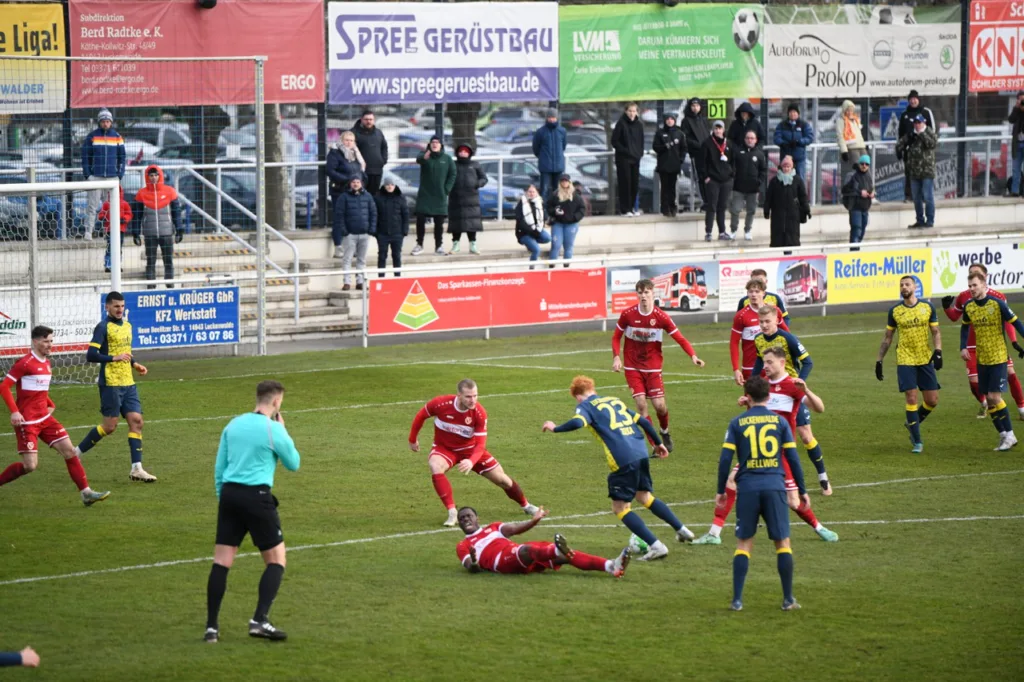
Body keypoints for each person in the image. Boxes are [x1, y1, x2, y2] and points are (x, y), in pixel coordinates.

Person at [542, 375, 696, 561]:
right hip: (641, 452)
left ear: (577, 396)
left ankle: (656, 546)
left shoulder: (585, 406)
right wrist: (658, 443)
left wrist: (555, 428)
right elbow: (645, 422)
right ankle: (682, 529)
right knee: (644, 497)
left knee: (620, 508)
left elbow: (577, 422)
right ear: (593, 389)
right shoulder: (614, 400)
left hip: (623, 458)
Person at [695, 348, 834, 546]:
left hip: (783, 454)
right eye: (764, 362)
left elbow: (820, 408)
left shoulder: (793, 386)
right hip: (757, 450)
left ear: (782, 362)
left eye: (769, 362)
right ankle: (714, 533)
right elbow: (758, 415)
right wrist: (748, 402)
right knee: (732, 481)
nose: (765, 366)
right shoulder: (763, 385)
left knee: (794, 501)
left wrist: (807, 390)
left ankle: (819, 527)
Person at [204, 380, 300, 643]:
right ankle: (259, 620)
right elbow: (294, 463)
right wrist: (284, 432)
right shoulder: (272, 430)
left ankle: (211, 628)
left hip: (230, 496)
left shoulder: (232, 425)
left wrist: (223, 499)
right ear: (276, 402)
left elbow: (219, 468)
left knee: (221, 561)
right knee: (276, 560)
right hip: (257, 497)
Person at [717, 376, 806, 611]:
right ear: (769, 396)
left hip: (747, 488)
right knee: (782, 542)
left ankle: (737, 600)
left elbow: (725, 459)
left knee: (744, 543)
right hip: (775, 485)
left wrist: (720, 491)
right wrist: (802, 490)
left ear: (746, 396)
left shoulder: (737, 423)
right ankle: (788, 599)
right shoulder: (780, 422)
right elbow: (793, 459)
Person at [0, 325, 110, 506]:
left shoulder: (46, 362)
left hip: (45, 418)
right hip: (27, 422)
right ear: (35, 342)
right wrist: (14, 411)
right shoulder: (25, 363)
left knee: (69, 451)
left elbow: (39, 389)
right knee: (30, 466)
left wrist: (50, 404)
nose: (50, 345)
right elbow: (4, 387)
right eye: (46, 341)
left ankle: (86, 493)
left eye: (51, 341)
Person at [408, 379, 538, 527]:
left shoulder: (479, 413)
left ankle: (525, 505)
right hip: (444, 449)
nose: (473, 400)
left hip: (471, 450)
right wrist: (412, 439)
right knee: (435, 465)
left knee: (503, 480)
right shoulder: (440, 403)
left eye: (475, 396)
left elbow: (481, 445)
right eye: (468, 397)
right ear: (459, 395)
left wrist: (471, 460)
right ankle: (452, 512)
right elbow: (421, 416)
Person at [611, 278, 706, 453]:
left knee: (660, 406)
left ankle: (664, 431)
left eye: (646, 292)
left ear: (653, 294)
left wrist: (693, 355)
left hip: (653, 367)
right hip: (633, 366)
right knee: (640, 404)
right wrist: (617, 357)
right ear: (637, 295)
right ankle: (656, 444)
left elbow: (680, 338)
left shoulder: (661, 317)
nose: (643, 296)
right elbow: (616, 336)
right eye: (640, 293)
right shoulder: (628, 314)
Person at [73, 291, 157, 482]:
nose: (120, 309)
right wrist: (113, 358)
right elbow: (91, 355)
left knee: (137, 421)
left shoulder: (127, 326)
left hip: (128, 382)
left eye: (122, 306)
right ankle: (75, 453)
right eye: (116, 306)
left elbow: (125, 352)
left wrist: (134, 364)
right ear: (107, 307)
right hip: (110, 383)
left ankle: (137, 468)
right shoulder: (103, 327)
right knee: (109, 427)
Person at [751, 306, 831, 493]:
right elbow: (757, 362)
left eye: (767, 321)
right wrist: (751, 384)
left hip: (790, 389)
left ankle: (823, 477)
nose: (763, 325)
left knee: (805, 435)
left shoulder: (788, 338)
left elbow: (808, 361)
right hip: (771, 390)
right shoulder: (758, 340)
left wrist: (799, 382)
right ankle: (778, 483)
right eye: (761, 322)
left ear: (777, 320)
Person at [942, 264, 1024, 419]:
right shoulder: (964, 297)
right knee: (975, 383)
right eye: (971, 275)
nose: (973, 279)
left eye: (977, 275)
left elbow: (1009, 320)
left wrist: (1013, 341)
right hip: (973, 347)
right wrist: (947, 308)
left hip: (995, 346)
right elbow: (956, 319)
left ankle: (1021, 408)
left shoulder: (998, 297)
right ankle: (985, 403)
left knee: (1011, 374)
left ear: (984, 278)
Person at [456, 506, 630, 578]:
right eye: (462, 518)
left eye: (468, 516)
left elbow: (516, 528)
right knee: (527, 550)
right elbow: (472, 568)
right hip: (502, 562)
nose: (465, 520)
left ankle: (611, 566)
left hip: (515, 552)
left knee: (567, 556)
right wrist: (475, 561)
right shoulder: (463, 546)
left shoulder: (493, 528)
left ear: (477, 518)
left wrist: (534, 520)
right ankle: (554, 550)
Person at [876, 276, 943, 453]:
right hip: (905, 359)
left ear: (915, 287)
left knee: (932, 400)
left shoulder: (927, 307)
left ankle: (912, 422)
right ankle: (917, 441)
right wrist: (879, 360)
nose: (904, 287)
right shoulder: (895, 311)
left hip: (925, 358)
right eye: (901, 285)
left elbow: (935, 332)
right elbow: (887, 338)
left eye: (907, 284)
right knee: (911, 397)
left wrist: (938, 352)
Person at [958, 272, 1024, 451]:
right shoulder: (969, 307)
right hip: (982, 358)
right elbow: (965, 327)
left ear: (984, 285)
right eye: (969, 286)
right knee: (988, 397)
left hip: (998, 357)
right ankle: (1003, 435)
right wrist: (963, 346)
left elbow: (1016, 323)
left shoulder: (997, 304)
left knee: (995, 397)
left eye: (975, 285)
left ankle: (1010, 435)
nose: (971, 289)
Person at [731, 279, 788, 386]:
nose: (753, 294)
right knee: (753, 401)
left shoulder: (775, 311)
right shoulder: (741, 316)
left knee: (778, 400)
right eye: (750, 291)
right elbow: (734, 343)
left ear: (763, 293)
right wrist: (736, 369)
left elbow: (786, 335)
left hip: (774, 366)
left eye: (757, 291)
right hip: (751, 367)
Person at [132, 165, 181, 289]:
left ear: (160, 176)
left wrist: (179, 230)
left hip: (167, 233)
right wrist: (136, 233)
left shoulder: (170, 192)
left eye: (156, 175)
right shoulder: (141, 194)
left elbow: (176, 213)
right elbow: (137, 216)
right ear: (147, 177)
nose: (153, 178)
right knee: (151, 261)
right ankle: (151, 286)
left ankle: (170, 285)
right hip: (150, 234)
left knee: (168, 261)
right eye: (151, 175)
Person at [81, 108, 125, 241]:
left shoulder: (117, 137)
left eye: (108, 121)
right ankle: (89, 231)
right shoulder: (92, 136)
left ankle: (109, 231)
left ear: (111, 122)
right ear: (99, 122)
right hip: (96, 177)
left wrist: (119, 174)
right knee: (92, 206)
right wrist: (88, 175)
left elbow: (122, 157)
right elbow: (85, 157)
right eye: (103, 121)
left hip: (112, 178)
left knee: (111, 206)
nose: (105, 124)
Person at [412, 136, 456, 256]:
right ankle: (419, 244)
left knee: (439, 222)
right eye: (432, 142)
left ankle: (439, 246)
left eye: (437, 142)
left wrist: (446, 189)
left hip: (440, 195)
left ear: (441, 145)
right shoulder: (425, 155)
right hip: (425, 194)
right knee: (420, 219)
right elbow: (419, 159)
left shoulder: (447, 159)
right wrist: (424, 157)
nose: (435, 144)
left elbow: (453, 174)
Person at [326, 131, 367, 257]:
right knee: (339, 218)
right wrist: (347, 180)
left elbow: (360, 170)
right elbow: (330, 171)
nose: (349, 142)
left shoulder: (356, 153)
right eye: (346, 140)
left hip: (354, 190)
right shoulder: (335, 153)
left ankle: (351, 247)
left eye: (351, 140)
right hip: (339, 190)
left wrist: (363, 179)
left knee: (352, 218)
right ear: (341, 140)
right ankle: (338, 247)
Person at [334, 176, 377, 291]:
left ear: (361, 183)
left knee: (362, 259)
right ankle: (347, 282)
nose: (356, 184)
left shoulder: (368, 196)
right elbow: (339, 215)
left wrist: (371, 229)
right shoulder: (343, 197)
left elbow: (373, 213)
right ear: (350, 183)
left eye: (358, 182)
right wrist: (344, 231)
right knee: (347, 259)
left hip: (364, 234)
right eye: (353, 182)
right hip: (350, 235)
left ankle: (360, 282)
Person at [897, 114, 937, 229]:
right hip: (914, 171)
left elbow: (932, 144)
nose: (917, 125)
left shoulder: (929, 132)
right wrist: (902, 149)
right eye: (915, 123)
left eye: (919, 122)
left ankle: (930, 221)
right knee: (916, 198)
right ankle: (920, 220)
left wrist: (921, 134)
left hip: (926, 171)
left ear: (924, 123)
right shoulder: (911, 134)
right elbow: (900, 144)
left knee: (928, 196)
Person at [447, 144, 487, 255]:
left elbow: (484, 178)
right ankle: (455, 245)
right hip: (456, 198)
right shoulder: (453, 165)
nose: (463, 153)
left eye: (465, 151)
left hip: (471, 199)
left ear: (469, 153)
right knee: (456, 223)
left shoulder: (475, 165)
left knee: (472, 223)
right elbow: (447, 178)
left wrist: (477, 184)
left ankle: (473, 245)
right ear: (457, 153)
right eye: (461, 151)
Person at [701, 120, 737, 242]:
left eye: (719, 128)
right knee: (711, 206)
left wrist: (732, 174)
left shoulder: (729, 144)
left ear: (723, 129)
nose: (717, 130)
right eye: (715, 128)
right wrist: (706, 177)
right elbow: (703, 162)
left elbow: (733, 161)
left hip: (726, 180)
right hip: (713, 180)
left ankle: (722, 232)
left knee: (722, 207)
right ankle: (708, 232)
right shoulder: (707, 143)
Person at [897, 90, 936, 201]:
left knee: (924, 176)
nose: (913, 101)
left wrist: (925, 139)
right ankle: (909, 196)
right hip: (910, 150)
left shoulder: (926, 112)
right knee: (909, 173)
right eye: (911, 99)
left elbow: (932, 130)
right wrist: (900, 149)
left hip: (924, 151)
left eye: (915, 98)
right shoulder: (905, 115)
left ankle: (924, 196)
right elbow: (900, 133)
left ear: (918, 99)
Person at [764, 155, 810, 248]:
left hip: (793, 214)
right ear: (781, 167)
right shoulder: (775, 181)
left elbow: (803, 197)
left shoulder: (797, 180)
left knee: (792, 240)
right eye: (784, 166)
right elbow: (769, 197)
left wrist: (807, 210)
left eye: (788, 166)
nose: (786, 169)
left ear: (792, 167)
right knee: (778, 240)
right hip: (778, 214)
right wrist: (766, 210)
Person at [730, 130, 766, 241]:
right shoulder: (737, 152)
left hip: (753, 188)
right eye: (748, 138)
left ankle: (747, 230)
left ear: (756, 140)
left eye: (752, 138)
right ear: (745, 139)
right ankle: (733, 230)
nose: (750, 140)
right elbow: (731, 166)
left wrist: (759, 181)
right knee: (735, 210)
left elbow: (763, 170)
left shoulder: (759, 154)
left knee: (751, 210)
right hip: (738, 187)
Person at [611, 102, 644, 216]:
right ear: (626, 111)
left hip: (635, 159)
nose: (632, 113)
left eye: (634, 111)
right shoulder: (621, 124)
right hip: (623, 159)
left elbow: (641, 141)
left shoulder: (639, 125)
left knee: (634, 184)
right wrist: (625, 151)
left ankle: (633, 208)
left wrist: (639, 153)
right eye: (630, 111)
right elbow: (614, 141)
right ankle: (625, 209)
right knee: (625, 183)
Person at [546, 174, 586, 267]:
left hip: (571, 224)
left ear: (569, 182)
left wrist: (574, 218)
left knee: (568, 247)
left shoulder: (576, 195)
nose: (564, 182)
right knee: (556, 245)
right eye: (562, 181)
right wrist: (554, 212)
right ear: (560, 182)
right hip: (558, 223)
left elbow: (582, 209)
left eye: (566, 181)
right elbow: (548, 207)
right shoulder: (555, 194)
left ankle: (566, 268)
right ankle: (551, 267)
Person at [652, 112, 685, 217]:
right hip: (664, 165)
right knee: (664, 187)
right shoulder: (660, 133)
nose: (670, 121)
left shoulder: (679, 133)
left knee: (672, 187)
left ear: (674, 120)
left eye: (672, 119)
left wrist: (680, 160)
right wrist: (664, 147)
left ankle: (673, 206)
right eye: (668, 119)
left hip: (674, 165)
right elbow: (655, 147)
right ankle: (665, 208)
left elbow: (683, 148)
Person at [374, 179, 408, 277]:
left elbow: (405, 215)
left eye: (392, 184)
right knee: (382, 256)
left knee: (396, 256)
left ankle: (397, 278)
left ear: (395, 186)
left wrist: (404, 231)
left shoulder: (400, 198)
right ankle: (381, 279)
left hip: (397, 233)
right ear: (384, 186)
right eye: (387, 184)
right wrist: (376, 232)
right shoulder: (378, 198)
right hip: (382, 233)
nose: (390, 186)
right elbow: (375, 215)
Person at [773, 103, 814, 182]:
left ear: (798, 113)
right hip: (785, 157)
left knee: (800, 179)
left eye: (795, 112)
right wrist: (783, 143)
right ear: (788, 114)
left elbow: (810, 138)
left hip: (799, 158)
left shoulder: (804, 125)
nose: (793, 114)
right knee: (784, 179)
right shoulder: (782, 125)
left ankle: (800, 194)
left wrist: (799, 142)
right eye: (791, 112)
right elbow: (776, 138)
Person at [532, 108, 567, 199]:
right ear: (546, 118)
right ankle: (544, 211)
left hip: (558, 166)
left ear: (557, 118)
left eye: (553, 117)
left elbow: (563, 146)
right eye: (550, 117)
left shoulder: (562, 131)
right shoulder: (540, 132)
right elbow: (536, 148)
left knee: (558, 190)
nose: (551, 119)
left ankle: (557, 210)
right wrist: (543, 157)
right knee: (544, 190)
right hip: (545, 167)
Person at [351, 109, 388, 195]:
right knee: (360, 195)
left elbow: (384, 147)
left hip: (377, 170)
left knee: (374, 196)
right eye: (366, 119)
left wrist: (383, 160)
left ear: (374, 120)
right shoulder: (353, 133)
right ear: (361, 120)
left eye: (371, 119)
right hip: (361, 171)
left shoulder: (378, 132)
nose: (369, 122)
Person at [681, 97, 711, 203]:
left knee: (709, 176)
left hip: (708, 152)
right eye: (693, 106)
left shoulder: (703, 119)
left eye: (697, 106)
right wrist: (698, 145)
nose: (695, 108)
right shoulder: (686, 121)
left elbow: (707, 134)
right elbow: (686, 137)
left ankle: (710, 200)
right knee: (701, 177)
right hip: (697, 153)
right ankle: (705, 201)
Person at [842, 154, 875, 244]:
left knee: (862, 230)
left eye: (866, 164)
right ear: (859, 164)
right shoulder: (852, 175)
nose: (864, 166)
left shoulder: (868, 176)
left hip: (865, 207)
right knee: (856, 229)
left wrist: (872, 193)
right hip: (855, 206)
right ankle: (854, 252)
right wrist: (860, 192)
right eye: (862, 164)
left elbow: (870, 188)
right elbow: (844, 190)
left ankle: (855, 247)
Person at [514, 184, 550, 265]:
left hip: (536, 230)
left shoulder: (539, 202)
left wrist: (539, 227)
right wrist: (532, 231)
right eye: (529, 192)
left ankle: (531, 243)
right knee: (537, 250)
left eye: (533, 192)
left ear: (537, 193)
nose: (531, 193)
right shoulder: (522, 203)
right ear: (526, 193)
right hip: (524, 233)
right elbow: (520, 222)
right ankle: (531, 267)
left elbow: (544, 217)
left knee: (547, 238)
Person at [98, 186, 132, 273]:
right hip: (110, 229)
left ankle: (117, 265)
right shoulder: (107, 204)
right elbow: (101, 213)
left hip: (120, 229)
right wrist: (103, 217)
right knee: (110, 247)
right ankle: (108, 265)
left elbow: (129, 214)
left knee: (118, 247)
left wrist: (124, 219)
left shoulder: (124, 203)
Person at [836, 100, 867, 171]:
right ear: (844, 110)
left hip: (861, 147)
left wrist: (864, 145)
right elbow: (840, 136)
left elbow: (859, 134)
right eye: (848, 110)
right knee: (859, 168)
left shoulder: (855, 119)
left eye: (851, 110)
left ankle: (867, 182)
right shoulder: (841, 121)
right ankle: (859, 182)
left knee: (866, 168)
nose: (850, 112)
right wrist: (844, 151)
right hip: (852, 148)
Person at [1008, 91, 1024, 198]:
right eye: (1020, 100)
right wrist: (1017, 108)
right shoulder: (1017, 110)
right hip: (1018, 143)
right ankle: (1015, 191)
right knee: (1015, 168)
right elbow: (1011, 119)